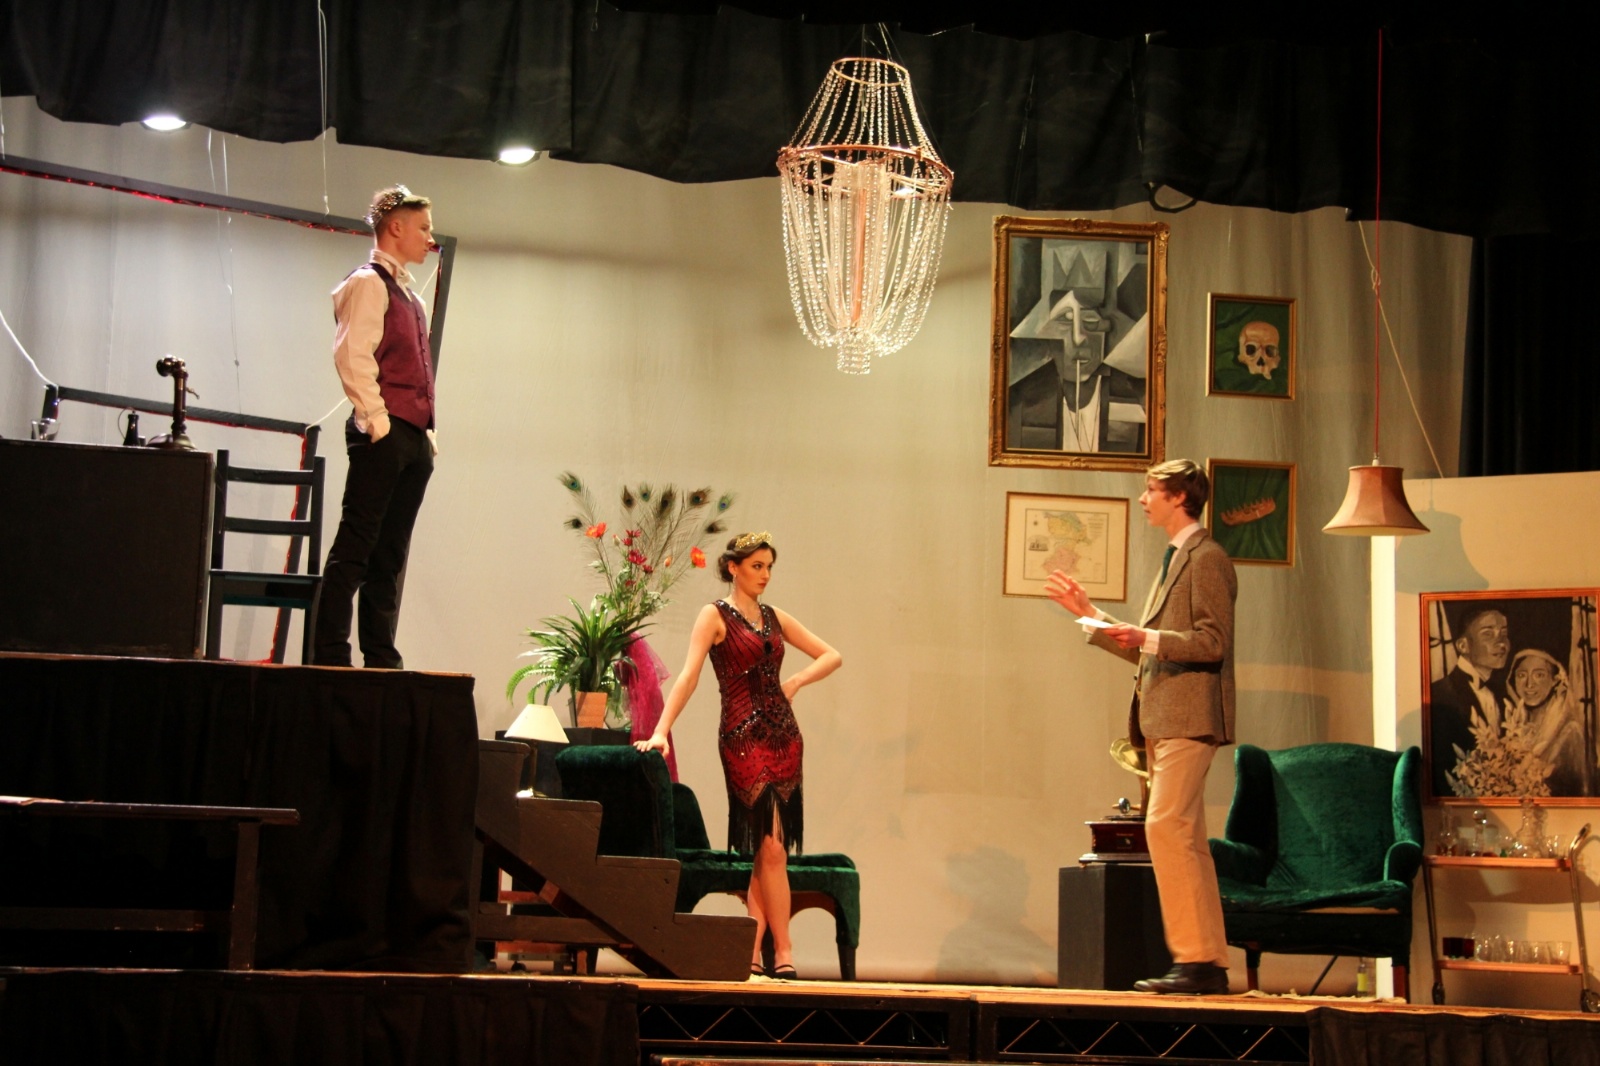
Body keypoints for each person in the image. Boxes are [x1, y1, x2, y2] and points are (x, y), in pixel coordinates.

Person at [1046, 459, 1236, 995]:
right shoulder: (1176, 558)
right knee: (1184, 835)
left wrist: (1146, 637)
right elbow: (1148, 649)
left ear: (1179, 497)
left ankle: (1197, 960)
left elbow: (1212, 643)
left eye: (1151, 490)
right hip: (1165, 715)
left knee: (1167, 828)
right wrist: (1089, 613)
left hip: (1189, 716)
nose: (1143, 499)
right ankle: (1205, 962)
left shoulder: (1208, 558)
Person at [635, 532, 842, 979]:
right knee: (772, 846)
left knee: (768, 849)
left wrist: (795, 682)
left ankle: (750, 950)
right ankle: (783, 950)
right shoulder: (714, 615)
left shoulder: (774, 617)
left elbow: (832, 656)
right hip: (742, 738)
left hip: (785, 737)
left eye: (769, 567)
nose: (765, 575)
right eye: (756, 566)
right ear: (734, 567)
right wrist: (661, 731)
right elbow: (688, 676)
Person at [313, 185, 438, 669]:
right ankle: (330, 652)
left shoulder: (411, 297)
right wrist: (377, 421)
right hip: (383, 432)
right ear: (396, 228)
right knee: (357, 544)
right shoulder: (368, 283)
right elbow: (353, 354)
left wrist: (425, 435)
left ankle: (380, 653)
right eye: (423, 228)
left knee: (391, 552)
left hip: (413, 436)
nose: (429, 238)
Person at [1427, 606, 1510, 796]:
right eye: (1488, 634)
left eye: (1504, 633)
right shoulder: (1439, 695)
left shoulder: (1503, 694)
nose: (1501, 643)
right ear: (1463, 646)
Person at [1506, 647, 1588, 797]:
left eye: (1539, 675)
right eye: (1522, 675)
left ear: (1555, 680)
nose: (1529, 684)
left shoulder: (1570, 732)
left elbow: (1580, 795)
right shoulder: (1510, 727)